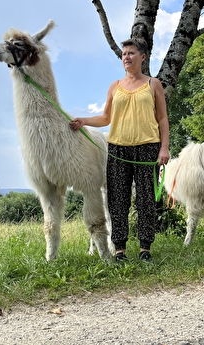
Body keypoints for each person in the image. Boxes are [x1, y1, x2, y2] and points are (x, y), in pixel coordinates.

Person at [69, 38, 169, 262]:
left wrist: (164, 148)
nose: (126, 57)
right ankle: (120, 249)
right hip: (118, 150)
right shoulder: (115, 86)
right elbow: (106, 118)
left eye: (131, 53)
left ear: (143, 57)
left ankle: (145, 249)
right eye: (124, 53)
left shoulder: (153, 84)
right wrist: (83, 121)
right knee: (117, 200)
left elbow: (162, 118)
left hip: (147, 149)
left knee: (145, 200)